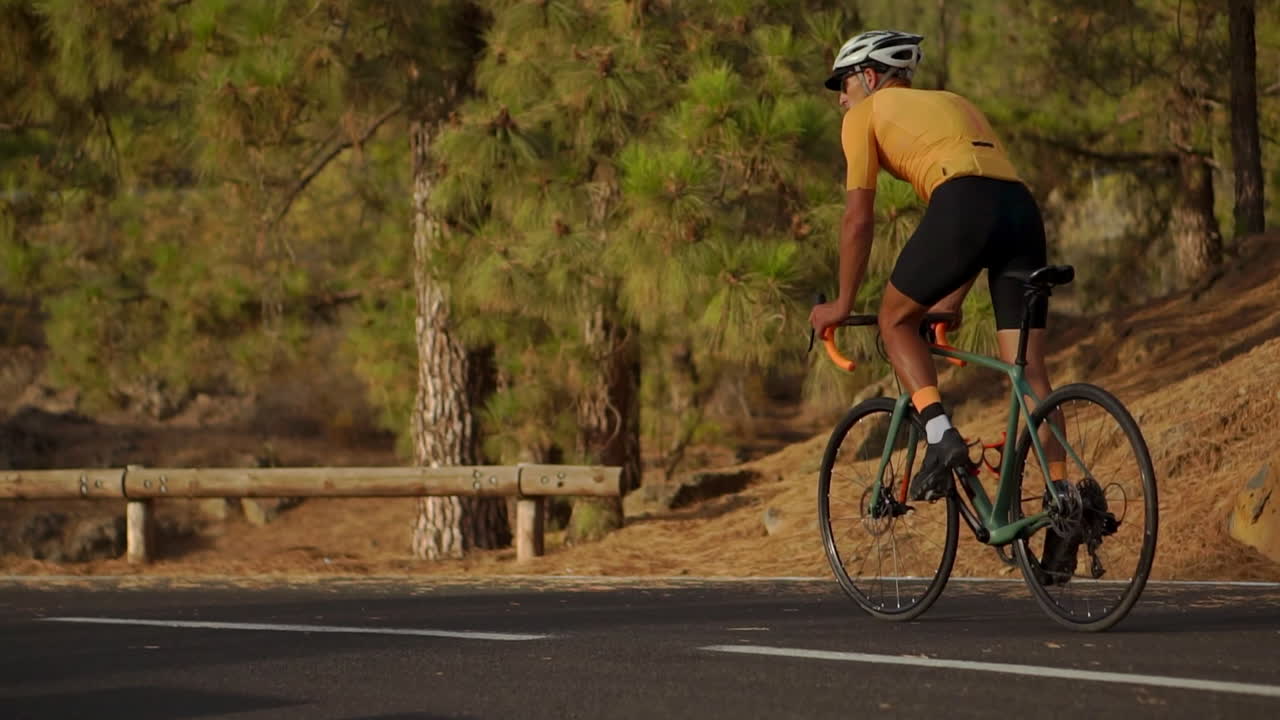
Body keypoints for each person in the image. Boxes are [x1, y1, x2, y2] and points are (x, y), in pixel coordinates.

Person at [807, 30, 1084, 580]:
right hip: (1021, 211)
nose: (840, 98)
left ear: (868, 76)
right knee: (1031, 375)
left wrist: (840, 303)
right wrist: (950, 299)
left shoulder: (863, 117)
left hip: (962, 202)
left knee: (892, 320)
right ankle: (1066, 503)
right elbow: (987, 221)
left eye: (843, 84)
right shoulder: (954, 102)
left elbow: (858, 219)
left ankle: (939, 436)